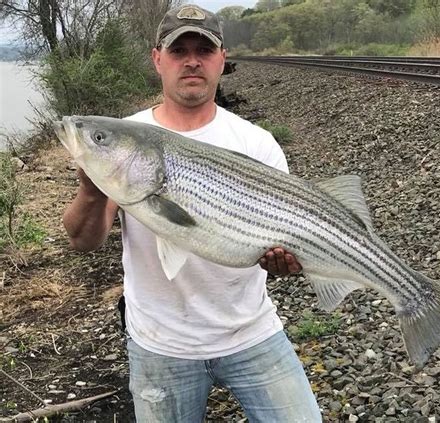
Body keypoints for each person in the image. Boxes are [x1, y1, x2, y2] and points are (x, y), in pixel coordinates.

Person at [63, 4, 322, 422]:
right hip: (160, 345)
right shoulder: (124, 137)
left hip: (251, 333)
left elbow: (285, 242)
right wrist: (91, 192)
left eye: (203, 50)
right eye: (179, 50)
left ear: (221, 59)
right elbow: (82, 241)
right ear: (157, 59)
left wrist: (288, 262)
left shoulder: (257, 143)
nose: (191, 61)